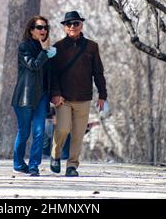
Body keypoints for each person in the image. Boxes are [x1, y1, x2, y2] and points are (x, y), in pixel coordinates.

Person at [50, 11, 107, 177]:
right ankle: (55, 154)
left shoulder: (91, 47)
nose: (73, 26)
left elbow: (98, 72)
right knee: (62, 129)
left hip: (84, 98)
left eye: (76, 23)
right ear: (64, 28)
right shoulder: (57, 47)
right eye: (69, 24)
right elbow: (53, 74)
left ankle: (72, 166)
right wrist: (55, 94)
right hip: (63, 99)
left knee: (78, 135)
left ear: (81, 24)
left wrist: (102, 95)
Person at [11, 15, 56, 176]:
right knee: (24, 133)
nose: (43, 30)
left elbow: (50, 74)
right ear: (31, 31)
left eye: (45, 27)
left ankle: (33, 166)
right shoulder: (24, 47)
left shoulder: (48, 50)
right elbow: (34, 65)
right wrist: (44, 51)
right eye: (39, 27)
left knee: (39, 132)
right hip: (25, 97)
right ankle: (18, 163)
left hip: (42, 97)